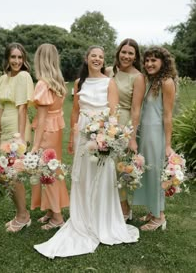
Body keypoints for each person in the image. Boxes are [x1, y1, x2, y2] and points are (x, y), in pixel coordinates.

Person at [33, 45, 139, 258]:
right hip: (83, 132)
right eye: (93, 56)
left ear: (103, 60)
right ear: (87, 58)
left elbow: (114, 113)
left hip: (101, 133)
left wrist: (108, 138)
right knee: (82, 178)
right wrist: (73, 137)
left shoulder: (109, 82)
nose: (97, 59)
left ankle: (102, 219)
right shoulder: (79, 83)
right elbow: (74, 112)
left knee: (102, 177)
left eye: (100, 56)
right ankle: (83, 217)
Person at [133, 46, 177, 231]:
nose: (149, 64)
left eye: (154, 60)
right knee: (148, 172)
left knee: (155, 172)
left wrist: (167, 145)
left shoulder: (167, 82)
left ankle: (160, 217)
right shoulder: (151, 81)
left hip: (156, 135)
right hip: (145, 133)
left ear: (163, 62)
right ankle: (152, 210)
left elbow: (167, 116)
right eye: (147, 60)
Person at [0, 42, 34, 232]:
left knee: (12, 173)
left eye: (19, 57)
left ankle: (23, 216)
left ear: (23, 60)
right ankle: (21, 213)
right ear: (7, 58)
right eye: (13, 57)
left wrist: (21, 138)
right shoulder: (3, 79)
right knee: (2, 174)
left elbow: (22, 108)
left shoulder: (24, 76)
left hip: (18, 127)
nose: (16, 61)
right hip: (5, 129)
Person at [30, 43, 69, 230]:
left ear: (39, 59)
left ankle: (58, 218)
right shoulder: (58, 82)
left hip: (47, 132)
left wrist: (35, 147)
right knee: (53, 169)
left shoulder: (43, 84)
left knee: (48, 173)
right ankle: (50, 210)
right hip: (57, 130)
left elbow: (43, 119)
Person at [106, 38, 145, 221]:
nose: (126, 56)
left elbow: (136, 109)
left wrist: (132, 137)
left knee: (119, 168)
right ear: (118, 52)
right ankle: (106, 206)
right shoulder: (109, 71)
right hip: (105, 121)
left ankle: (124, 208)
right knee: (104, 166)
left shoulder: (138, 77)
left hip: (124, 124)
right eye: (124, 52)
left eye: (131, 53)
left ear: (135, 56)